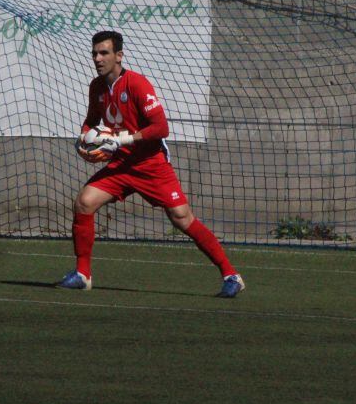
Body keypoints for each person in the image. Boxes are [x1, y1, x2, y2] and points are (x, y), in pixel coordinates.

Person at [58, 30, 245, 298]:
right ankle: (82, 274)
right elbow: (90, 121)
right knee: (84, 202)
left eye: (104, 53)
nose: (98, 58)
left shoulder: (136, 84)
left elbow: (161, 127)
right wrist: (84, 139)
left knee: (181, 218)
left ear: (118, 56)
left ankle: (231, 275)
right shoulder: (96, 87)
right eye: (95, 53)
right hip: (122, 165)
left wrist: (122, 139)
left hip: (150, 163)